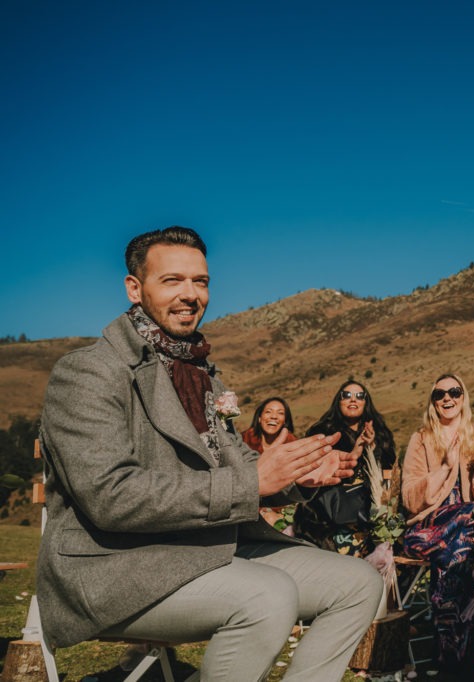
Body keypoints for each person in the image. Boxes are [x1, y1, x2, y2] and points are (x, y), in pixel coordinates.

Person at [36, 227, 382, 681]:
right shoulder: (88, 371)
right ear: (134, 289)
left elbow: (237, 461)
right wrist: (253, 482)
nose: (191, 294)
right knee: (268, 594)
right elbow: (111, 496)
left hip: (207, 548)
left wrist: (298, 475)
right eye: (172, 280)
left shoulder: (201, 373)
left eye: (200, 281)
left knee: (359, 582)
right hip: (115, 568)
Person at [401, 373, 474, 674]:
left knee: (466, 548)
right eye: (439, 394)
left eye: (454, 392)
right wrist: (445, 466)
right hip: (428, 530)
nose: (447, 398)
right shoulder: (421, 438)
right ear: (433, 401)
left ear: (463, 397)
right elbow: (410, 498)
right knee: (472, 523)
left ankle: (451, 653)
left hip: (464, 534)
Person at [294, 381, 397, 556]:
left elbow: (389, 472)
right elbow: (311, 471)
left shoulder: (380, 433)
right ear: (339, 401)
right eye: (347, 395)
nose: (353, 400)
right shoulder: (323, 432)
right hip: (325, 516)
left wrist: (372, 448)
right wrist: (354, 452)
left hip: (368, 514)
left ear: (366, 402)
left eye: (359, 396)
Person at [241, 396, 300, 531]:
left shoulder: (293, 446)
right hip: (246, 509)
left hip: (282, 512)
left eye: (280, 413)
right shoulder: (242, 442)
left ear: (285, 421)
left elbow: (293, 491)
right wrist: (262, 511)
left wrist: (279, 514)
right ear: (259, 418)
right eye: (268, 412)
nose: (274, 416)